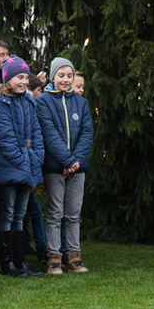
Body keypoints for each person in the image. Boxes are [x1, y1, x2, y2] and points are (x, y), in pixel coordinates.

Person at [36, 56, 94, 275]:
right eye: (61, 75)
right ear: (53, 76)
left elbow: (87, 132)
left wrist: (76, 161)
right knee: (54, 213)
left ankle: (74, 255)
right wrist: (67, 160)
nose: (66, 80)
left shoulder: (81, 102)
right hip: (55, 167)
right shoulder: (43, 101)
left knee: (73, 213)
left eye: (69, 76)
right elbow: (49, 134)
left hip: (77, 168)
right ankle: (54, 256)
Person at [0, 55, 44, 278]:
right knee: (8, 212)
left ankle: (19, 262)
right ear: (8, 79)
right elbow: (6, 138)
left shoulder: (29, 101)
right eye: (19, 77)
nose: (24, 82)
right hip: (10, 164)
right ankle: (6, 262)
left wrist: (36, 159)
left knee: (21, 214)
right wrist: (24, 164)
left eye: (25, 77)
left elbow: (36, 133)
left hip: (27, 163)